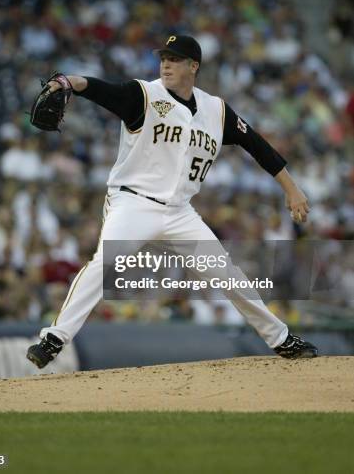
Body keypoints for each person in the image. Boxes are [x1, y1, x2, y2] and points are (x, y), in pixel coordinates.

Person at [27, 34, 318, 368]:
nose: (166, 63)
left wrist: (291, 187)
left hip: (181, 213)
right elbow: (103, 90)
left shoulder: (216, 111)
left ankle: (281, 340)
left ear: (193, 66)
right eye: (164, 57)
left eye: (175, 59)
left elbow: (257, 145)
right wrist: (70, 81)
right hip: (133, 204)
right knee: (104, 263)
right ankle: (53, 339)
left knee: (227, 274)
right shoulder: (144, 95)